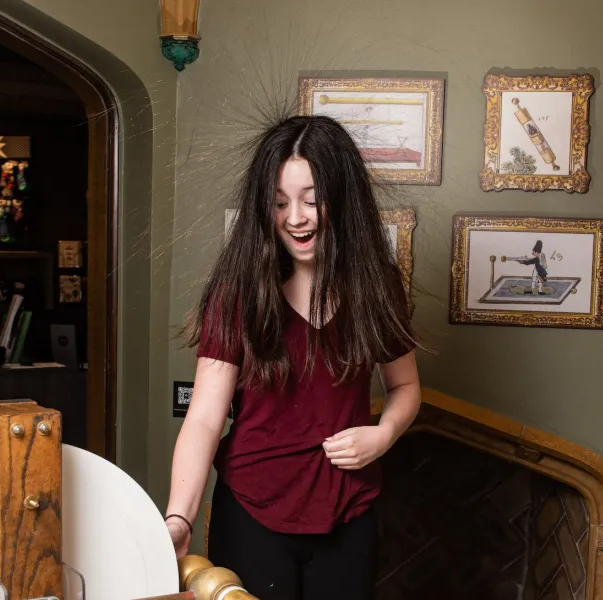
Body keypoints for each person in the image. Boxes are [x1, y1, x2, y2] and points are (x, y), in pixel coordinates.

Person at [164, 115, 422, 599]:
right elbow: (204, 416)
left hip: (350, 509)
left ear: (342, 201)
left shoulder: (376, 283)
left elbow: (405, 387)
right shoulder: (238, 288)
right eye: (280, 203)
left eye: (311, 200)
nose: (295, 217)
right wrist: (180, 516)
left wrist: (383, 434)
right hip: (252, 511)